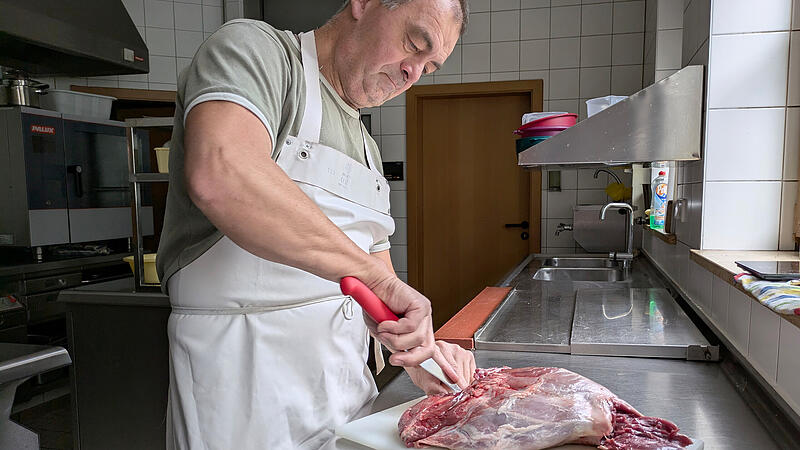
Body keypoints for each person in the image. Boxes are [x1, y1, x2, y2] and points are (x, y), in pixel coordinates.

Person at [155, 0, 473, 448]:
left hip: (343, 394)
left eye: (429, 66)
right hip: (240, 393)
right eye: (414, 43)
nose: (412, 74)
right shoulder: (259, 53)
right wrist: (374, 281)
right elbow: (222, 172)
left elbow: (382, 293)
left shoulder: (367, 148)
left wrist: (425, 353)